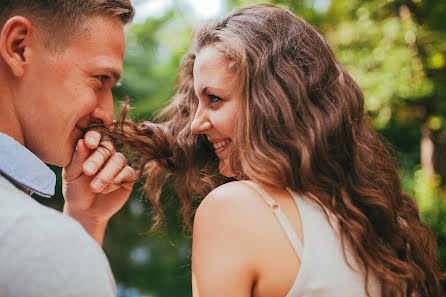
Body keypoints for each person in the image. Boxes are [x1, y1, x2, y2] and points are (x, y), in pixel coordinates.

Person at [101, 3, 442, 297]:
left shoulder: (233, 209)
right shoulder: (378, 219)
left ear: (271, 102)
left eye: (215, 99)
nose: (196, 125)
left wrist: (88, 220)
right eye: (197, 104)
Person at [0, 1, 136, 296]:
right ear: (19, 47)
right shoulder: (41, 247)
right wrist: (70, 244)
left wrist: (85, 221)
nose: (107, 114)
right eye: (100, 78)